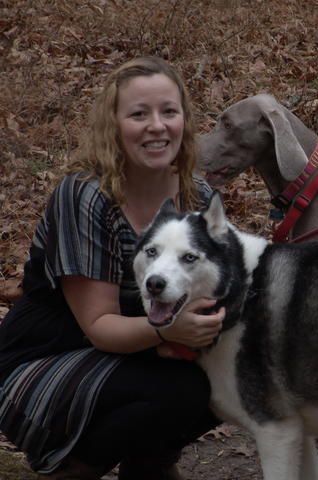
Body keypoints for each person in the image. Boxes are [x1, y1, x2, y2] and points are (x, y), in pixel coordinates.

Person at [0, 56, 224, 480]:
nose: (157, 126)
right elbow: (100, 325)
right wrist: (167, 335)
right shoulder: (86, 195)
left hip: (143, 350)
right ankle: (78, 470)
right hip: (47, 359)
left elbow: (217, 289)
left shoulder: (197, 197)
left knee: (233, 368)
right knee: (184, 387)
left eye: (168, 111)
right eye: (139, 114)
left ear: (184, 121)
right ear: (114, 126)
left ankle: (150, 465)